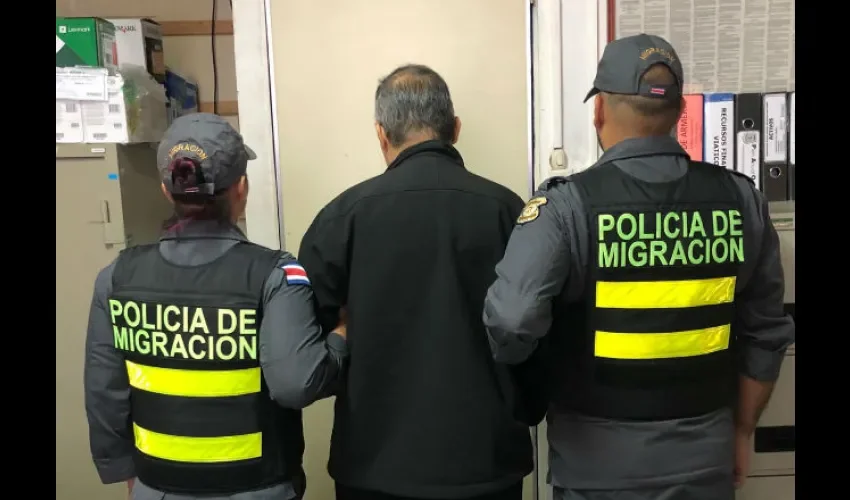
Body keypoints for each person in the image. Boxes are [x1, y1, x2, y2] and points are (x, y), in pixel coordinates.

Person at [483, 34, 796, 500]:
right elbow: (767, 332)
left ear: (599, 111)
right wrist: (742, 431)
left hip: (596, 469)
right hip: (704, 461)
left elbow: (511, 321)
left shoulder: (566, 208)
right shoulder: (741, 199)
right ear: (680, 114)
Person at [297, 64, 541, 500]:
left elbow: (309, 346)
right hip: (485, 463)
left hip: (374, 467)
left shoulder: (341, 219)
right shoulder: (508, 212)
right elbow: (536, 329)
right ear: (456, 129)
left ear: (380, 134)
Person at [83, 113, 348, 500]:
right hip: (257, 489)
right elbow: (295, 384)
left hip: (155, 488)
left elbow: (104, 391)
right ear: (241, 188)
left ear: (165, 188)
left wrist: (129, 475)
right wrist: (342, 336)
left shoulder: (117, 277)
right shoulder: (274, 274)